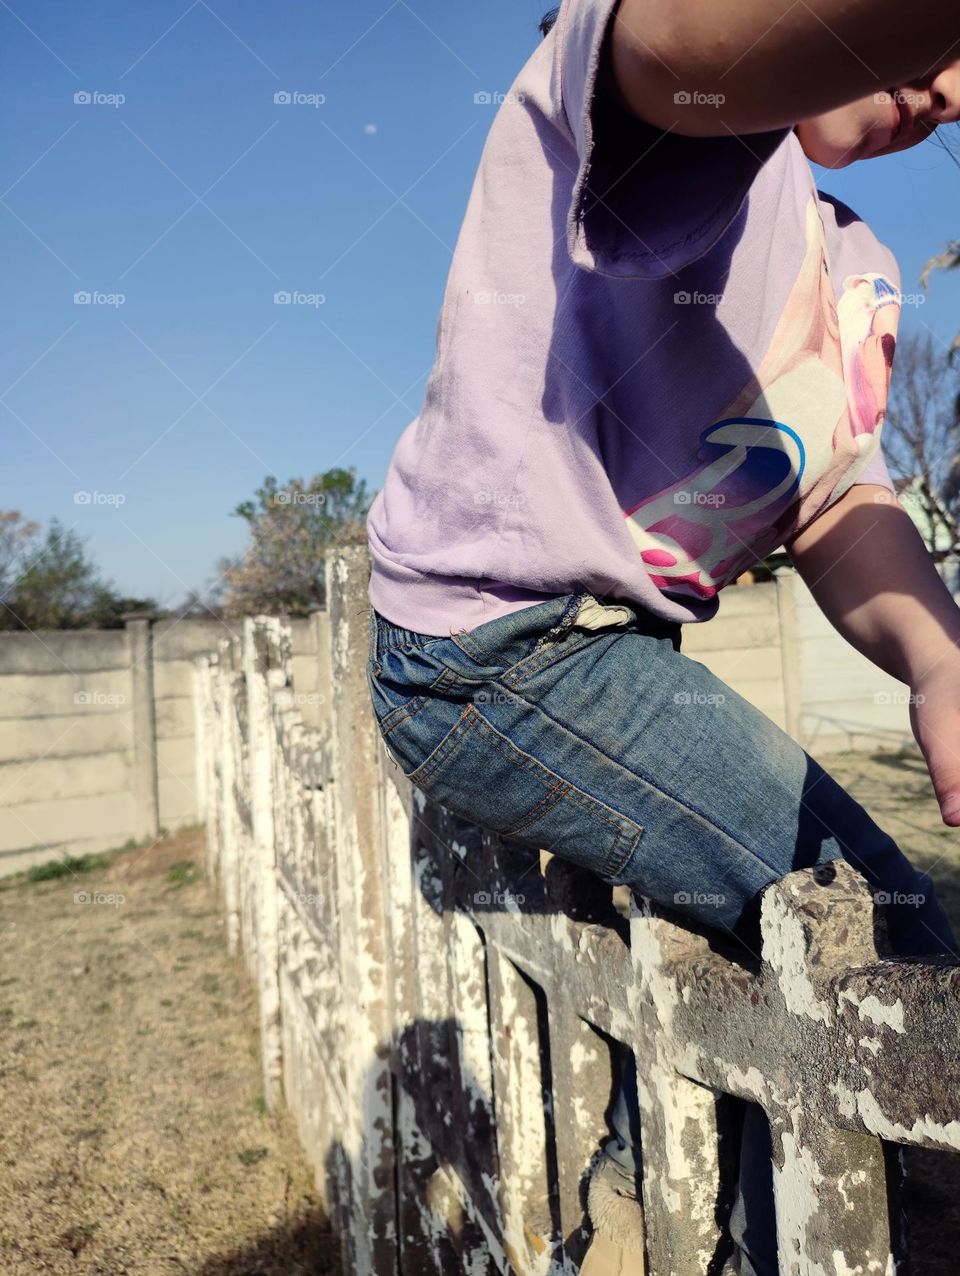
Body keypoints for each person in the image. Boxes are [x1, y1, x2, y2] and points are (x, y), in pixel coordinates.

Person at [364, 1, 960, 1271]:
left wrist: (939, 654)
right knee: (897, 943)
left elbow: (837, 499)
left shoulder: (855, 270)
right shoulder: (649, 89)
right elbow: (694, 55)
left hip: (615, 654)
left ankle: (639, 1197)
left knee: (747, 940)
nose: (949, 85)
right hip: (497, 650)